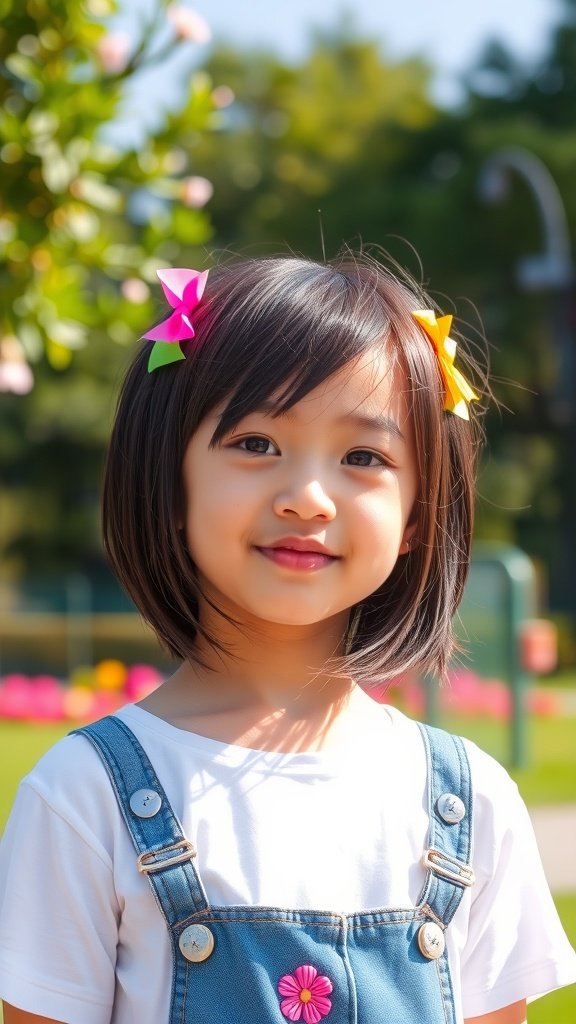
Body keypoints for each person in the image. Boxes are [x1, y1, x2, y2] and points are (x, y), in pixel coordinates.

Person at [0, 253, 575, 1024]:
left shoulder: (472, 803)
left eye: (363, 457)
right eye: (257, 444)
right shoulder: (84, 798)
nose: (308, 497)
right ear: (168, 478)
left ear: (415, 517)